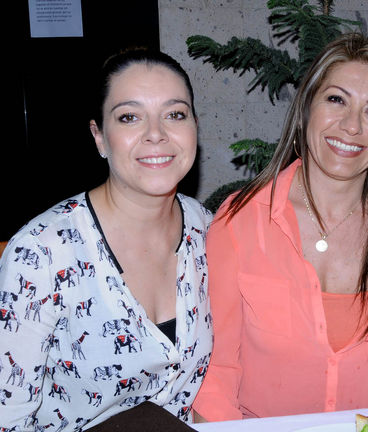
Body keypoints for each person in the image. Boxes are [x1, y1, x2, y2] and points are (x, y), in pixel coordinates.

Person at [193, 32, 368, 421]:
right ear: (307, 106)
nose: (351, 126)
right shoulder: (240, 221)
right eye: (336, 100)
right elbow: (216, 375)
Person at [0, 48, 213, 430]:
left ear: (195, 127)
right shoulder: (41, 255)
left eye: (175, 114)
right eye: (129, 117)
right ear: (99, 137)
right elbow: (7, 418)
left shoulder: (209, 231)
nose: (156, 134)